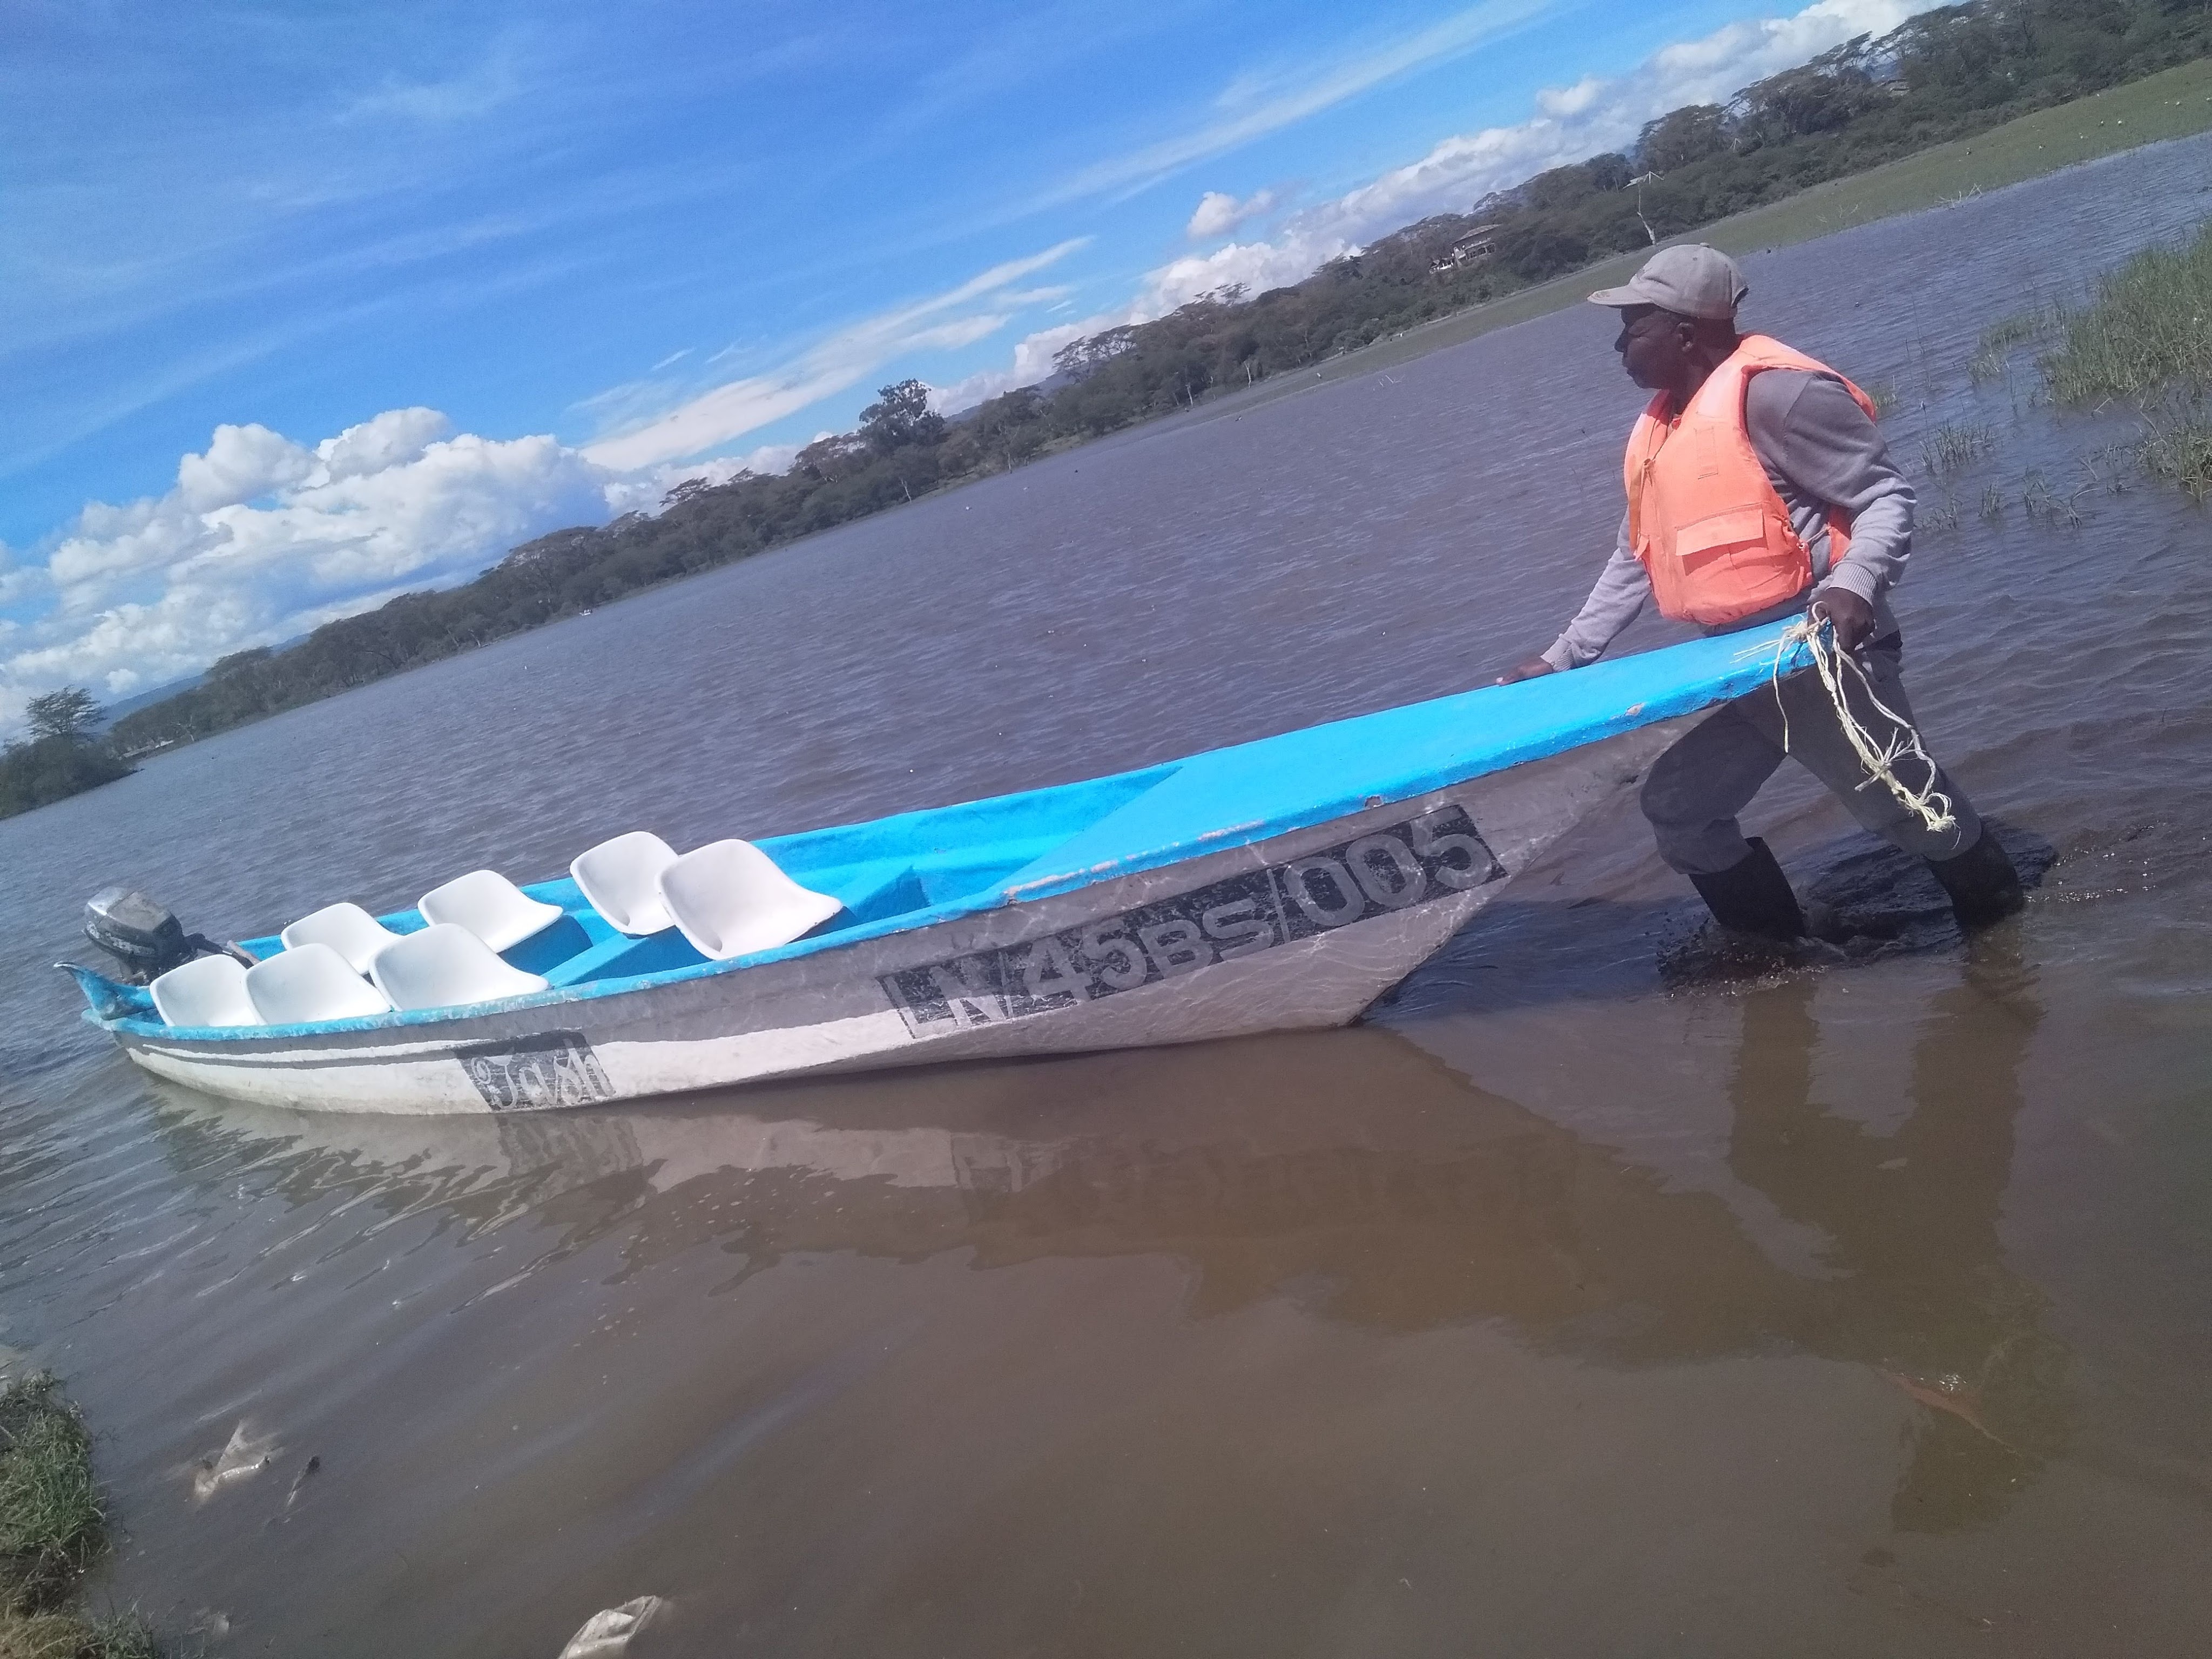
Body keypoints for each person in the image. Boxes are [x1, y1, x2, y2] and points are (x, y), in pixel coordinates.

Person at [1497, 244, 2022, 940]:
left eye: (1633, 327)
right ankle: (1781, 954)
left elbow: (1884, 497)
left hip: (1821, 657)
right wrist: (1564, 655)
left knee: (1910, 809)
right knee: (1681, 811)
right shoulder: (1663, 427)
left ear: (1686, 332)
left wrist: (1856, 584)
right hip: (1736, 667)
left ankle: (2006, 940)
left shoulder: (1780, 397)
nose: (1620, 346)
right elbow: (1635, 555)